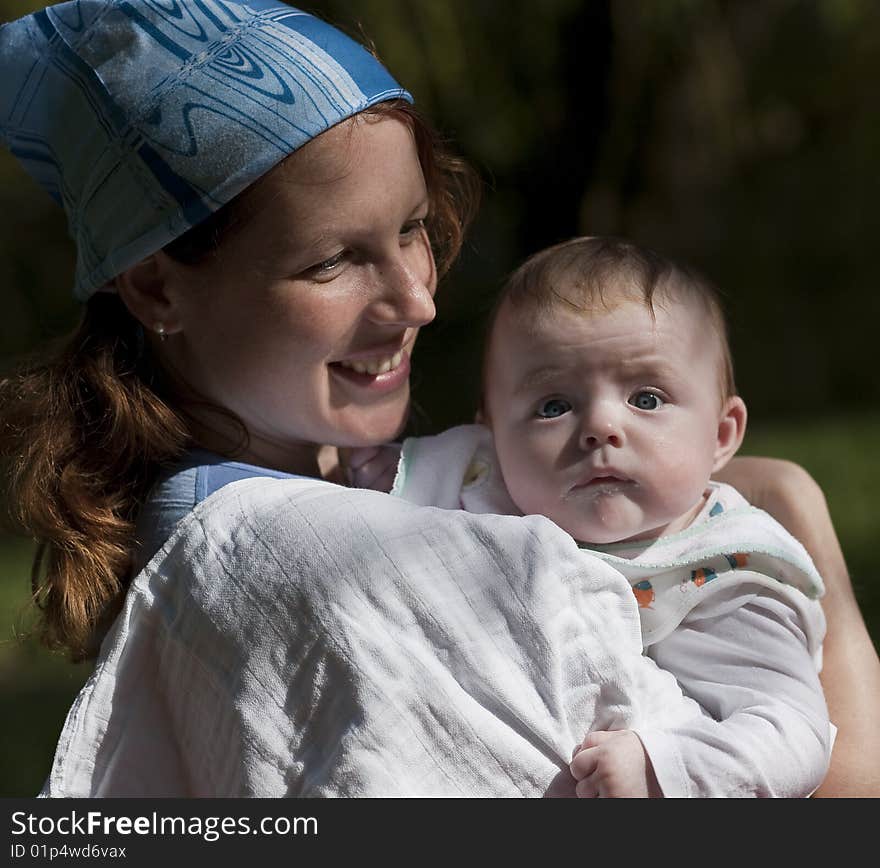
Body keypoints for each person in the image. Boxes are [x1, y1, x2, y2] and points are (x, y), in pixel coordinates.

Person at [0, 1, 877, 797]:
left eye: (412, 227)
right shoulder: (318, 566)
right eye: (332, 261)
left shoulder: (332, 498)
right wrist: (803, 531)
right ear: (155, 287)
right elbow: (838, 802)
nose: (418, 300)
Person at [381, 235, 831, 796]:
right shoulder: (482, 484)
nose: (600, 426)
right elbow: (383, 503)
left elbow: (793, 733)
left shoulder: (730, 579)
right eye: (553, 406)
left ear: (720, 436)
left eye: (646, 399)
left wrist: (664, 769)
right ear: (493, 438)